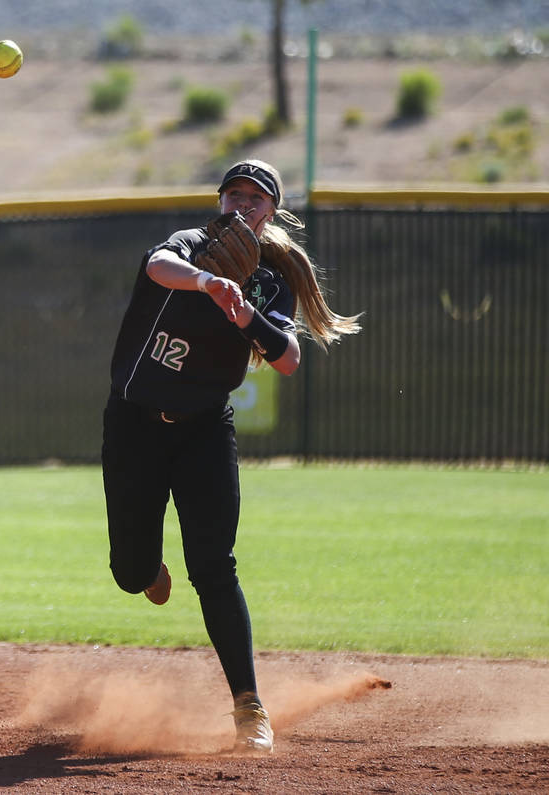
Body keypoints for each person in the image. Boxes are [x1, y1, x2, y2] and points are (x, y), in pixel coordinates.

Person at [101, 159, 362, 754]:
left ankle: (249, 706)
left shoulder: (272, 280)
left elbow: (290, 358)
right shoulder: (191, 246)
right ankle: (145, 570)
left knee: (214, 566)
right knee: (130, 573)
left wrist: (245, 313)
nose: (242, 204)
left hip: (203, 433)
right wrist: (206, 282)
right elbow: (156, 265)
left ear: (272, 210)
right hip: (135, 426)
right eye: (233, 195)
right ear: (219, 202)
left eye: (255, 197)